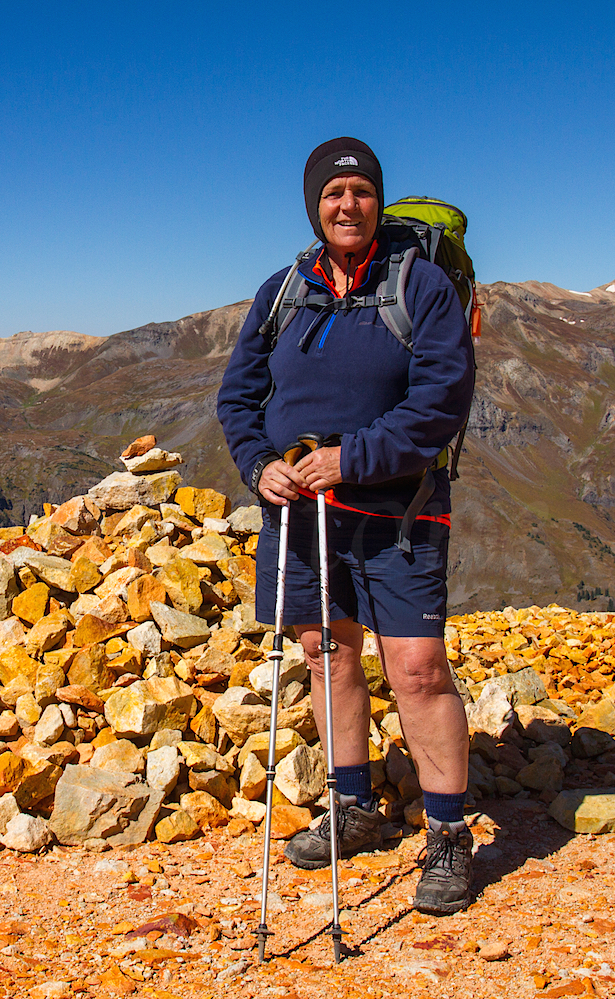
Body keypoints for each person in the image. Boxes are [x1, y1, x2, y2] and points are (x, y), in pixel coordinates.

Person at [216, 137, 477, 914]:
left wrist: (350, 458)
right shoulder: (283, 289)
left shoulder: (420, 285)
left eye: (362, 191)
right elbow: (238, 396)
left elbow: (440, 406)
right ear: (313, 204)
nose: (348, 204)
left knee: (419, 668)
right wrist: (259, 462)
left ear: (377, 201)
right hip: (301, 513)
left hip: (396, 511)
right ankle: (355, 806)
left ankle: (449, 834)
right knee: (325, 653)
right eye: (333, 194)